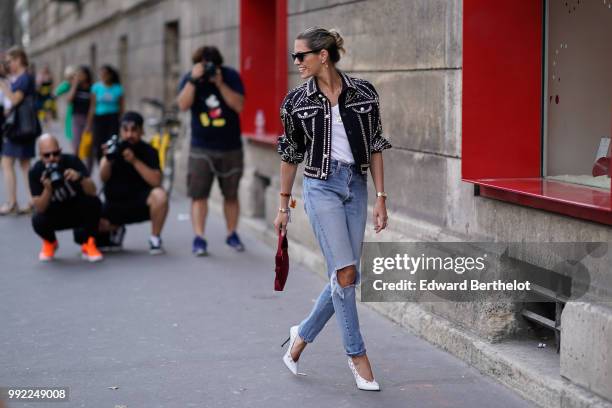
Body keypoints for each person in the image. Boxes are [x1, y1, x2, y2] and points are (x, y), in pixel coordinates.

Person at [275, 27, 392, 391]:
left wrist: (381, 198)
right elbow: (290, 155)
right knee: (344, 273)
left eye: (301, 56)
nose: (296, 63)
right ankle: (357, 356)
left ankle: (300, 339)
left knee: (347, 275)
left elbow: (375, 145)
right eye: (294, 56)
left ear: (322, 55)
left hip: (355, 187)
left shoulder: (364, 93)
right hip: (320, 186)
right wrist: (284, 205)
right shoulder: (295, 102)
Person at [177, 46, 246, 256]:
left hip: (230, 146)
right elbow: (182, 105)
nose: (207, 69)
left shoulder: (230, 76)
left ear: (219, 65)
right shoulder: (191, 78)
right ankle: (199, 237)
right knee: (199, 195)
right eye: (203, 65)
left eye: (211, 66)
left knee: (231, 194)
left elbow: (239, 105)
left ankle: (232, 234)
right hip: (201, 146)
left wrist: (220, 83)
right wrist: (192, 81)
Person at [98, 111, 168, 254]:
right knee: (85, 227)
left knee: (160, 196)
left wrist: (134, 161)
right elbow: (103, 178)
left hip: (140, 205)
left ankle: (155, 239)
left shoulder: (149, 151)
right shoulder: (113, 148)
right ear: (120, 131)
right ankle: (115, 228)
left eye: (134, 130)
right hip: (115, 205)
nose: (129, 134)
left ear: (142, 131)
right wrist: (107, 160)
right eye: (125, 130)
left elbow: (156, 181)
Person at [29, 134, 103, 262]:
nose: (52, 158)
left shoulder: (72, 161)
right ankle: (50, 242)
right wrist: (47, 190)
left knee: (94, 203)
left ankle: (89, 243)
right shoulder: (36, 171)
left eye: (55, 154)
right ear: (40, 156)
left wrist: (80, 178)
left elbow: (93, 191)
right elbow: (40, 208)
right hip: (55, 213)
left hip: (77, 209)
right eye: (47, 155)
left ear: (60, 152)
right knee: (37, 219)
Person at [0, 46, 38, 215]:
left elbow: (15, 99)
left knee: (7, 162)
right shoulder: (25, 77)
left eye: (10, 61)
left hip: (20, 129)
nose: (8, 65)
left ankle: (13, 202)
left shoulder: (24, 78)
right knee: (24, 164)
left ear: (18, 60)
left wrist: (3, 86)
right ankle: (32, 200)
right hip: (24, 127)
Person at [86, 65, 124, 165]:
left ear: (110, 75)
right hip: (99, 118)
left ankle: (112, 162)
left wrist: (122, 123)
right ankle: (101, 164)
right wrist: (89, 124)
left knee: (112, 142)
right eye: (101, 74)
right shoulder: (96, 87)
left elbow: (121, 107)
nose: (103, 76)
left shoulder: (117, 88)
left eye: (105, 74)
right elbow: (92, 106)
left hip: (113, 118)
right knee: (98, 143)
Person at [67, 66, 93, 168]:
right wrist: (74, 85)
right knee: (76, 144)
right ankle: (76, 167)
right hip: (76, 118)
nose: (79, 76)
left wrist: (89, 123)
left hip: (88, 118)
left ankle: (88, 170)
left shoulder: (92, 88)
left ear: (87, 75)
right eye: (78, 74)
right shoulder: (76, 87)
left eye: (81, 74)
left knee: (88, 145)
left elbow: (92, 106)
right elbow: (69, 100)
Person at [53, 65, 77, 147]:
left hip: (80, 109)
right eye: (69, 77)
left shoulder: (78, 83)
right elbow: (56, 93)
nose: (71, 79)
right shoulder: (66, 85)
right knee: (71, 130)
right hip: (72, 109)